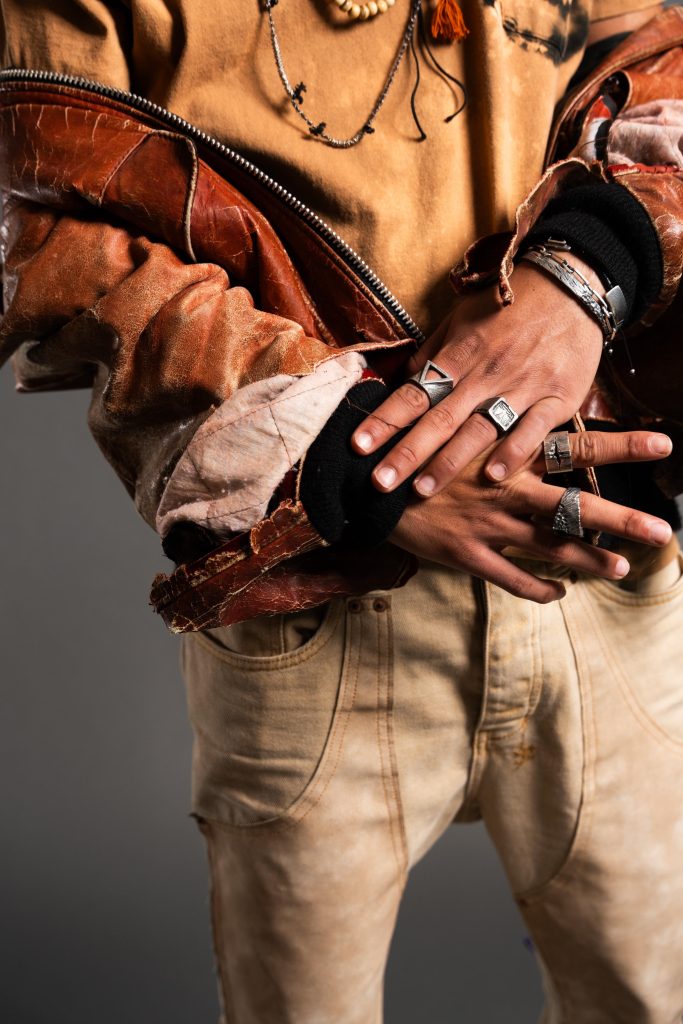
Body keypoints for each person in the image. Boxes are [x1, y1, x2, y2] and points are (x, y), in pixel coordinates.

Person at [1, 1, 682, 1020]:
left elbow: (660, 54)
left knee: (649, 998)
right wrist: (358, 459)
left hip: (594, 560)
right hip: (316, 601)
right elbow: (41, 215)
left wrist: (584, 271)